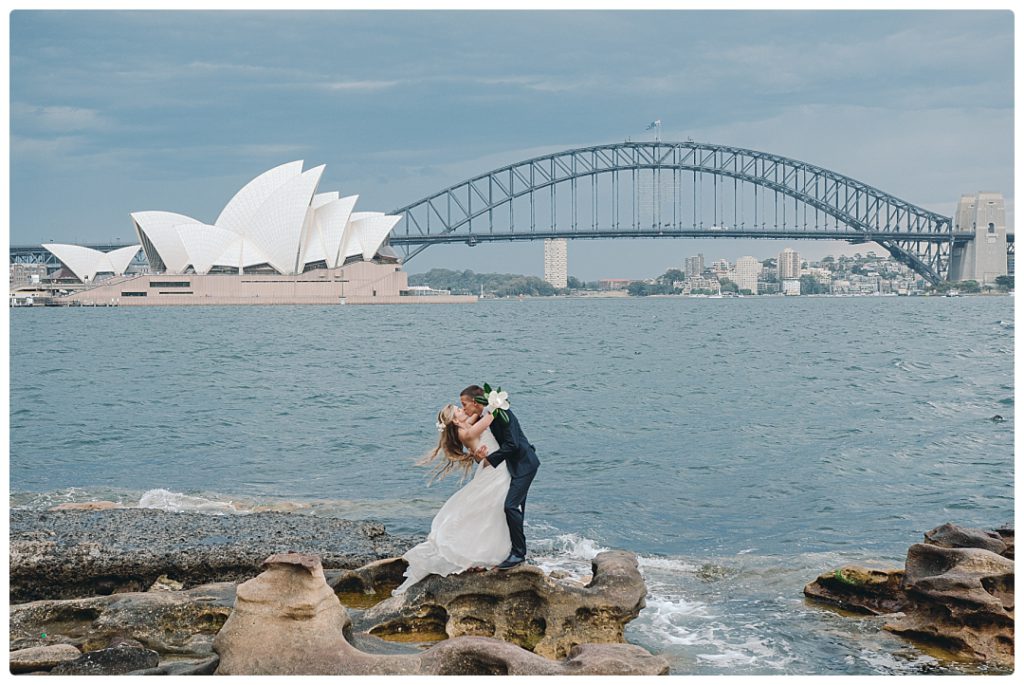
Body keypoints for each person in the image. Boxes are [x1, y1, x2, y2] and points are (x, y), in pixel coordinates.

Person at [392, 404, 512, 595]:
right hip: (494, 471)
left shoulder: (464, 427)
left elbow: (476, 415)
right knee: (490, 510)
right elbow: (490, 417)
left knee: (487, 511)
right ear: (455, 420)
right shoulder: (467, 431)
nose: (462, 410)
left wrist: (478, 408)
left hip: (491, 468)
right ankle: (482, 553)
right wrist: (497, 401)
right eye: (458, 409)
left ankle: (486, 550)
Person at [460, 384, 540, 569]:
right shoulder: (487, 416)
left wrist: (489, 460)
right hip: (511, 467)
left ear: (475, 402)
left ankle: (519, 554)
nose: (464, 408)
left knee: (511, 507)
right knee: (515, 507)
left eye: (464, 404)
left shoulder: (502, 414)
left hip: (524, 465)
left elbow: (512, 444)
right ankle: (511, 549)